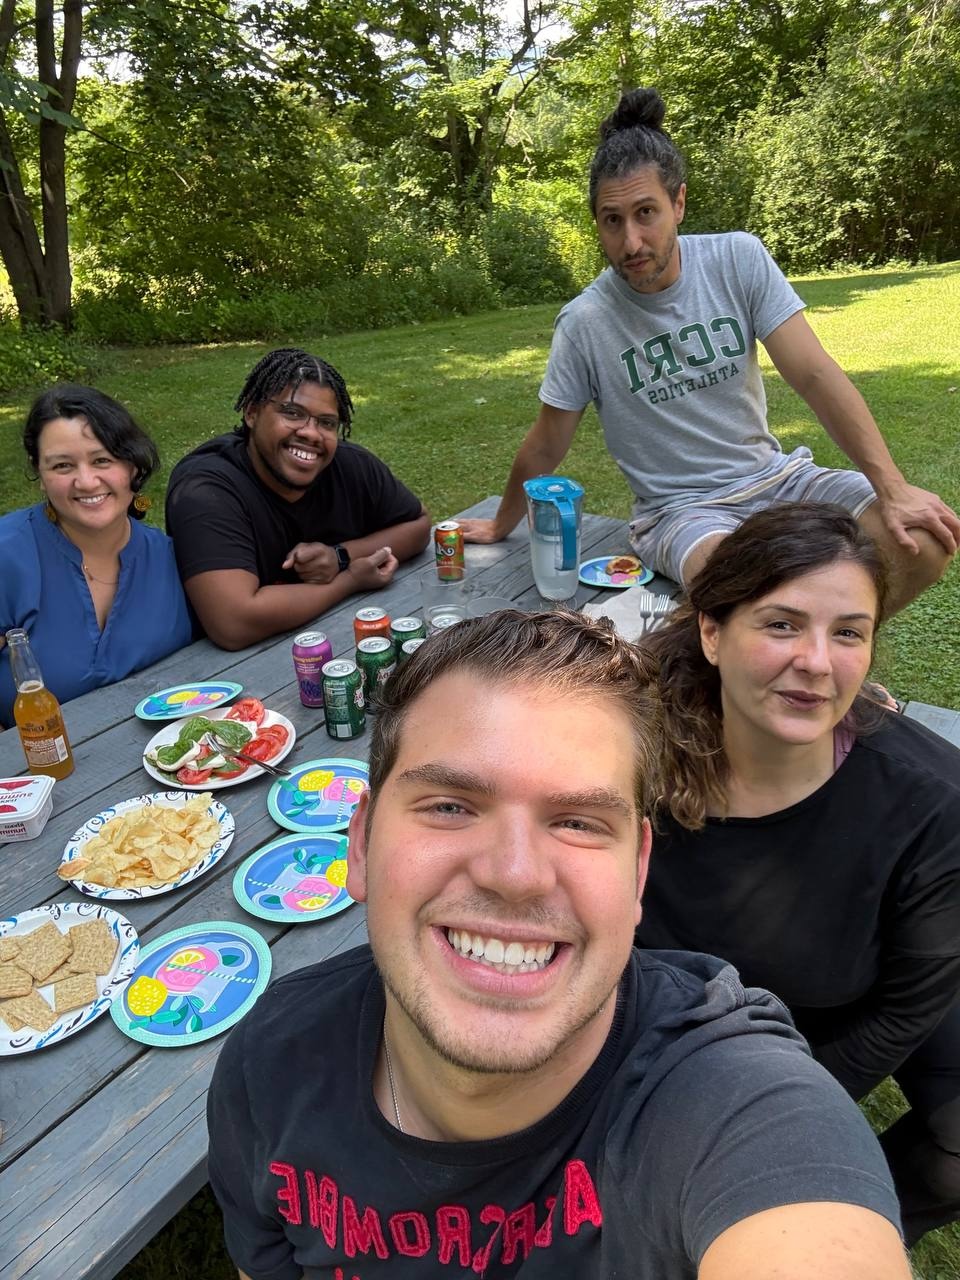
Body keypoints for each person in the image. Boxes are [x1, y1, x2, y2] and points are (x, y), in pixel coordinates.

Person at [207, 608, 910, 1279]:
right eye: (450, 806)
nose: (514, 874)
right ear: (360, 845)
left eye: (578, 822)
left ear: (637, 871)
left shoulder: (730, 1104)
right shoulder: (270, 1062)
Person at [459, 88, 959, 615]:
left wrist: (894, 487)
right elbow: (545, 445)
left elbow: (813, 374)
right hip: (681, 513)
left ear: (678, 203)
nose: (631, 242)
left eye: (645, 212)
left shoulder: (737, 260)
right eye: (612, 220)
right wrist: (501, 523)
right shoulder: (585, 322)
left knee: (924, 542)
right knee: (753, 591)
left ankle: (833, 666)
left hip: (779, 479)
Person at [635, 502, 960, 1248]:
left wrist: (780, 1123)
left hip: (858, 993)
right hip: (681, 1008)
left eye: (848, 632)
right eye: (782, 624)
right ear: (712, 633)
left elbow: (906, 1009)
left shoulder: (931, 808)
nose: (817, 661)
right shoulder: (628, 752)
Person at [165, 348, 431, 649]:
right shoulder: (205, 488)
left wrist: (339, 556)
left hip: (343, 643)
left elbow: (419, 525)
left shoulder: (351, 465)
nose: (311, 434)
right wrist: (349, 580)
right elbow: (234, 622)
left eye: (327, 423)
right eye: (292, 413)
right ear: (252, 413)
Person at [0, 384, 193, 727]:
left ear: (132, 465)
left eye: (102, 460)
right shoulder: (8, 557)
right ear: (40, 475)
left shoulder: (168, 557)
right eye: (62, 466)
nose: (86, 482)